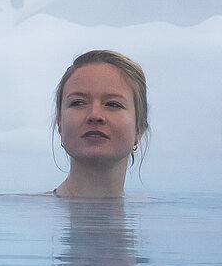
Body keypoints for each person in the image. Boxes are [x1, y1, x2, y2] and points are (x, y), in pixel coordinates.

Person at [48, 50, 148, 199]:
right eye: (78, 102)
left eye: (113, 104)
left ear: (139, 128)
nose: (95, 115)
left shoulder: (162, 215)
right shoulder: (22, 212)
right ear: (59, 123)